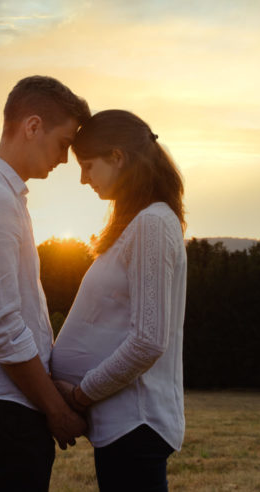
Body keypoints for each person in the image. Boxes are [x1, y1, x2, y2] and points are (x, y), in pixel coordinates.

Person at [0, 76, 91, 492]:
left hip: (4, 402)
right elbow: (2, 327)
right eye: (64, 143)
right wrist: (54, 410)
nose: (65, 160)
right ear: (32, 126)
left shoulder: (3, 198)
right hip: (0, 404)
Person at [51, 109, 187, 492]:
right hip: (122, 424)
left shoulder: (152, 225)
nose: (83, 179)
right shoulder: (140, 224)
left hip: (136, 422)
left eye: (88, 166)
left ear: (117, 157)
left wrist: (80, 395)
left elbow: (148, 341)